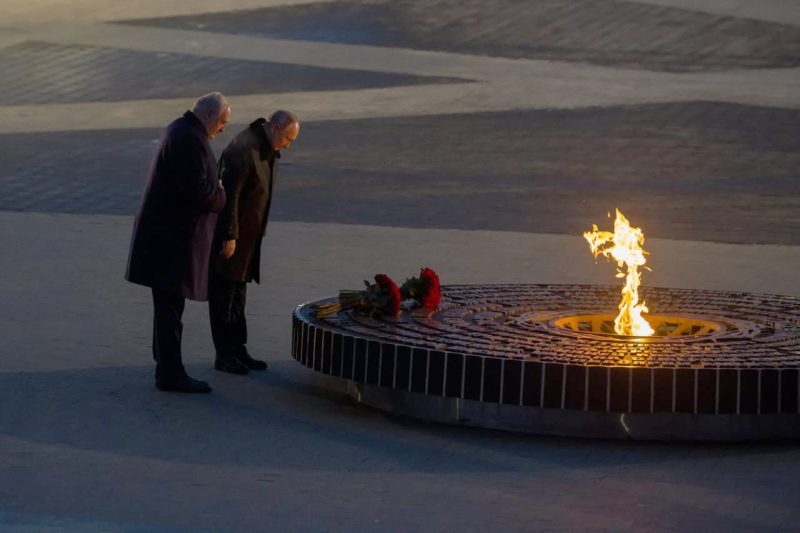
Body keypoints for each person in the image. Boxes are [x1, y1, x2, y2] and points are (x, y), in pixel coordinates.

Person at [126, 92, 230, 393]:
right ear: (210, 115)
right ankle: (170, 373)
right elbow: (198, 191)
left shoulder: (181, 129)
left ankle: (165, 362)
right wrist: (221, 194)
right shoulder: (189, 139)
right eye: (223, 122)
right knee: (170, 307)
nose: (223, 129)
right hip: (172, 241)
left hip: (164, 238)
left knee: (167, 306)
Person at [209, 110, 300, 374]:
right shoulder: (244, 150)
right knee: (224, 296)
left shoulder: (265, 149)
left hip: (247, 240)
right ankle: (224, 354)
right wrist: (229, 235)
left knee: (238, 295)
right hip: (232, 239)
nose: (288, 145)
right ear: (275, 128)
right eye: (287, 139)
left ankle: (238, 349)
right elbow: (230, 197)